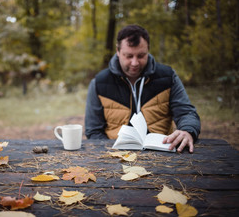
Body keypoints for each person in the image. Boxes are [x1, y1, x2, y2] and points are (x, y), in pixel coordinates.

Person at [85, 24, 200, 153]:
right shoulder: (99, 83)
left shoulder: (168, 77)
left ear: (148, 50)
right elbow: (93, 130)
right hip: (115, 154)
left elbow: (186, 112)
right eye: (128, 56)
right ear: (117, 51)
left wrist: (187, 130)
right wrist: (110, 153)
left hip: (162, 152)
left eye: (141, 56)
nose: (135, 63)